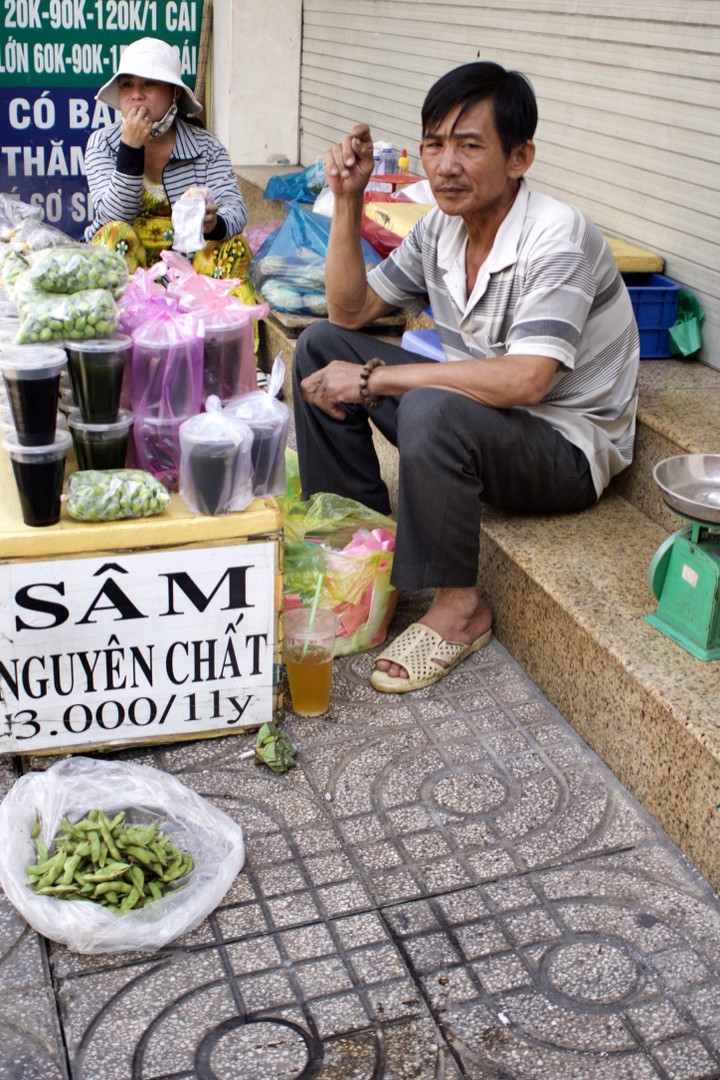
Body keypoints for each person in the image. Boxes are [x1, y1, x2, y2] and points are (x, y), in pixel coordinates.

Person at [292, 61, 639, 695]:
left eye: (469, 145)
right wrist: (347, 200)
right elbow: (349, 311)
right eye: (434, 143)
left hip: (564, 445)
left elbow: (528, 382)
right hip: (485, 418)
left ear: (519, 157)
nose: (445, 164)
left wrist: (377, 382)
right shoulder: (439, 228)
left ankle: (459, 609)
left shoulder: (555, 237)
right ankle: (362, 551)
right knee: (319, 346)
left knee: (429, 403)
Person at [83, 37, 256, 306]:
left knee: (233, 246)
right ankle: (123, 340)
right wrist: (130, 149)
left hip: (191, 275)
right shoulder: (103, 144)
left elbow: (236, 210)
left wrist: (214, 224)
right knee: (113, 235)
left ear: (174, 92)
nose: (137, 95)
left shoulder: (207, 148)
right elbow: (112, 217)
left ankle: (224, 343)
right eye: (127, 85)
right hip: (130, 273)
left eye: (149, 83)